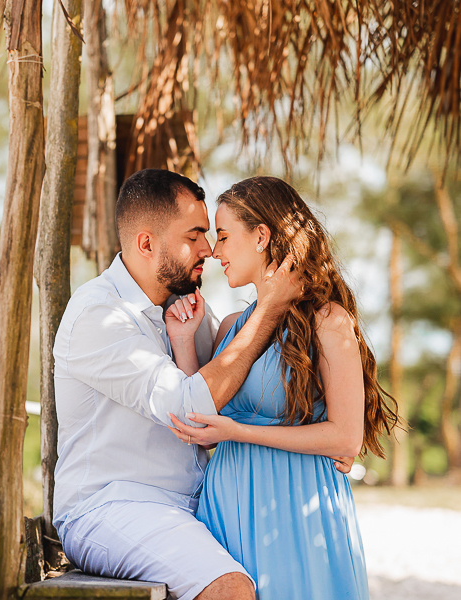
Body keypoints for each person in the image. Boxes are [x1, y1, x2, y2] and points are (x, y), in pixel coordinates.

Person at [52, 169, 307, 600]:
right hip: (113, 507)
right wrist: (268, 311)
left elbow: (237, 392)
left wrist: (331, 430)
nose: (209, 249)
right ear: (147, 243)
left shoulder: (187, 312)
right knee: (230, 590)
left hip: (195, 505)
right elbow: (191, 407)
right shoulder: (98, 315)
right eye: (195, 235)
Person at [167, 176, 399, 600]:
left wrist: (237, 432)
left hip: (297, 506)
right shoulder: (230, 330)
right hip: (228, 506)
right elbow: (195, 420)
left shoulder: (327, 322)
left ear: (261, 236)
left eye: (222, 236)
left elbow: (346, 436)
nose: (215, 252)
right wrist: (184, 340)